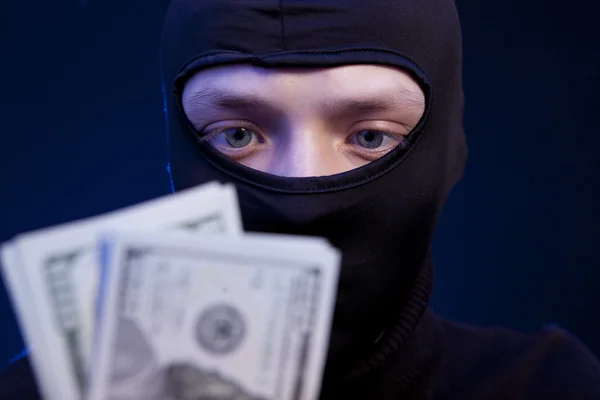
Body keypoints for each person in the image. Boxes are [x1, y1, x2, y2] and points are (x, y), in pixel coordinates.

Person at [2, 0, 600, 399]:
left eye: (370, 136)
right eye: (239, 136)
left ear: (448, 148)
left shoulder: (549, 388)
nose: (302, 191)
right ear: (174, 147)